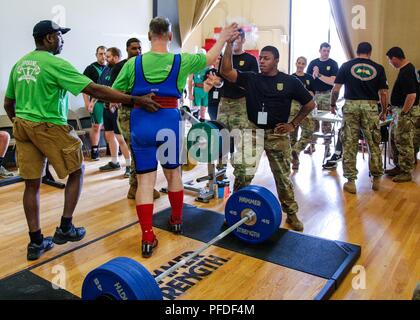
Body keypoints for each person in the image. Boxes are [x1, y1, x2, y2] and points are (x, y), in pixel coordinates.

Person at [3, 20, 160, 261]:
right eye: (59, 35)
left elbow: (8, 104)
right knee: (77, 170)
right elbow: (95, 90)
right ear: (48, 38)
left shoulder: (20, 64)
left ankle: (35, 242)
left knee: (31, 184)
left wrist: (21, 125)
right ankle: (66, 227)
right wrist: (136, 100)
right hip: (49, 125)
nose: (62, 40)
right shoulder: (55, 64)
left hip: (22, 126)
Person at [112, 17, 239, 258]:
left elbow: (115, 93)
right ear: (170, 36)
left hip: (141, 122)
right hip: (168, 122)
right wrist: (223, 37)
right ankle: (177, 220)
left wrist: (134, 98)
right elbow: (211, 58)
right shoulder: (181, 61)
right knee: (173, 175)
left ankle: (147, 236)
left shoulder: (133, 64)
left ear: (149, 36)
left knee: (145, 182)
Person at [221, 43, 316, 232]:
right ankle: (234, 212)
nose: (261, 61)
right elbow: (226, 71)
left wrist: (293, 124)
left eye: (266, 58)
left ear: (276, 61)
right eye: (260, 58)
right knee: (242, 174)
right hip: (253, 131)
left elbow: (310, 104)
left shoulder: (290, 82)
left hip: (277, 135)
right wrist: (229, 45)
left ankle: (291, 213)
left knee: (282, 177)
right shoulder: (251, 78)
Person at [331, 42, 389, 194]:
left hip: (350, 106)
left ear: (357, 51)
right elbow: (383, 93)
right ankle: (376, 178)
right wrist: (383, 110)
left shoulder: (346, 66)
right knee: (374, 143)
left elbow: (336, 89)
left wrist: (332, 104)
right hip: (370, 108)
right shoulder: (379, 68)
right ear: (370, 52)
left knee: (349, 144)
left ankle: (351, 181)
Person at [110, 38, 160, 200]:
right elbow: (116, 92)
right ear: (126, 49)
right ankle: (135, 186)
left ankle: (140, 185)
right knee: (137, 150)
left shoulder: (143, 65)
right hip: (127, 113)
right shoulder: (120, 67)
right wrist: (137, 98)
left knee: (145, 149)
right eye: (133, 48)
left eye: (139, 48)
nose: (137, 51)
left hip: (144, 112)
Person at [217, 28, 259, 191]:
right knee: (222, 141)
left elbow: (252, 83)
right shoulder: (224, 58)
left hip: (241, 105)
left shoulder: (250, 59)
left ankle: (240, 180)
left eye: (236, 39)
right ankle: (219, 177)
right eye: (231, 39)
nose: (234, 42)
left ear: (242, 40)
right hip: (224, 103)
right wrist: (217, 83)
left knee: (240, 143)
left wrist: (234, 80)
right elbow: (221, 81)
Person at [93, 47, 132, 177]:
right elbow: (101, 88)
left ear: (115, 57)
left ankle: (129, 166)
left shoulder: (123, 69)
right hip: (106, 106)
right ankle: (114, 162)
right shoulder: (105, 70)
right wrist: (92, 102)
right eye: (105, 56)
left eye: (108, 56)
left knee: (121, 138)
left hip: (116, 108)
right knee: (109, 136)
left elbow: (122, 89)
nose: (105, 58)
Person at [385, 47, 419, 183]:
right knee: (394, 138)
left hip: (406, 111)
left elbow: (411, 95)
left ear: (395, 58)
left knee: (404, 141)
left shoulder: (407, 71)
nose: (390, 63)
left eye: (389, 60)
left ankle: (406, 171)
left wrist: (404, 113)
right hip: (399, 110)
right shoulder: (408, 69)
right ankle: (398, 166)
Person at [305, 43, 339, 155]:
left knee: (326, 123)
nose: (326, 53)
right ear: (320, 50)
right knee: (313, 121)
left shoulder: (333, 64)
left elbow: (332, 81)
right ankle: (312, 146)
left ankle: (327, 148)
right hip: (314, 95)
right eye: (324, 50)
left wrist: (319, 75)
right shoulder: (313, 63)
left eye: (328, 51)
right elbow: (308, 80)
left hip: (327, 95)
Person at [290, 57, 315, 170]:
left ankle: (296, 149)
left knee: (309, 132)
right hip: (292, 109)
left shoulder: (309, 78)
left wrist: (307, 94)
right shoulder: (291, 77)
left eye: (303, 63)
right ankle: (295, 161)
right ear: (296, 64)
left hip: (305, 108)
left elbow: (312, 94)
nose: (300, 65)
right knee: (292, 135)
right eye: (299, 63)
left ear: (305, 65)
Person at [83, 46, 107, 161]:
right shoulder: (90, 68)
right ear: (96, 55)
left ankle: (110, 149)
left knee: (110, 127)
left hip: (109, 102)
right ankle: (95, 150)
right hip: (96, 102)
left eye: (104, 54)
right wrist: (87, 102)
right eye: (100, 54)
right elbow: (84, 88)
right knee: (96, 126)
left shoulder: (110, 68)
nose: (103, 56)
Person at [188, 57, 210, 121]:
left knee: (203, 113)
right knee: (195, 110)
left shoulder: (208, 68)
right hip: (197, 91)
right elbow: (190, 81)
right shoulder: (193, 68)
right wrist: (190, 94)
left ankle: (201, 128)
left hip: (206, 91)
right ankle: (194, 127)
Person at [203, 55, 223, 121]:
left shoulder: (226, 72)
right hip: (212, 103)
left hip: (224, 103)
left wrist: (218, 82)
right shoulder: (209, 72)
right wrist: (211, 83)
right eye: (216, 59)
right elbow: (205, 89)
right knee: (214, 123)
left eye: (220, 59)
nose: (218, 60)